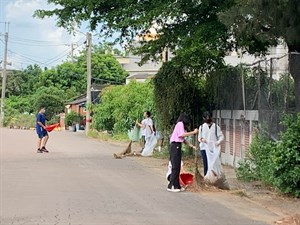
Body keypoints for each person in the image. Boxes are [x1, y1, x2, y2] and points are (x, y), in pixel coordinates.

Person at [167, 113, 198, 193]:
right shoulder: (180, 124)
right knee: (175, 167)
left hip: (177, 146)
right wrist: (193, 132)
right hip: (175, 146)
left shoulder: (179, 125)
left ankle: (177, 185)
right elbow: (181, 135)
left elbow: (183, 139)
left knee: (177, 167)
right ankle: (172, 185)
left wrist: (192, 146)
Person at [198, 111, 224, 176]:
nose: (207, 119)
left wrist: (218, 142)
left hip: (213, 149)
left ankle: (214, 177)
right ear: (204, 119)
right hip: (204, 148)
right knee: (206, 164)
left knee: (213, 164)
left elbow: (221, 136)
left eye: (208, 117)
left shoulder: (216, 127)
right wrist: (202, 139)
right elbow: (199, 138)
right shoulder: (201, 127)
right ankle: (206, 178)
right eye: (206, 118)